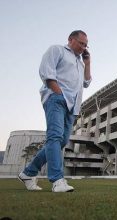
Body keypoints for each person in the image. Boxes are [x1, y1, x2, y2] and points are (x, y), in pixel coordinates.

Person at [18, 30, 92, 192]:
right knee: (55, 137)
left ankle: (28, 173)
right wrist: (58, 93)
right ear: (71, 39)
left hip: (72, 106)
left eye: (86, 45)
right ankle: (57, 180)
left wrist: (87, 63)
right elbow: (46, 71)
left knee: (62, 141)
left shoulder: (80, 62)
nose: (83, 47)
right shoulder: (57, 50)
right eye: (81, 43)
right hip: (56, 99)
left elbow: (86, 83)